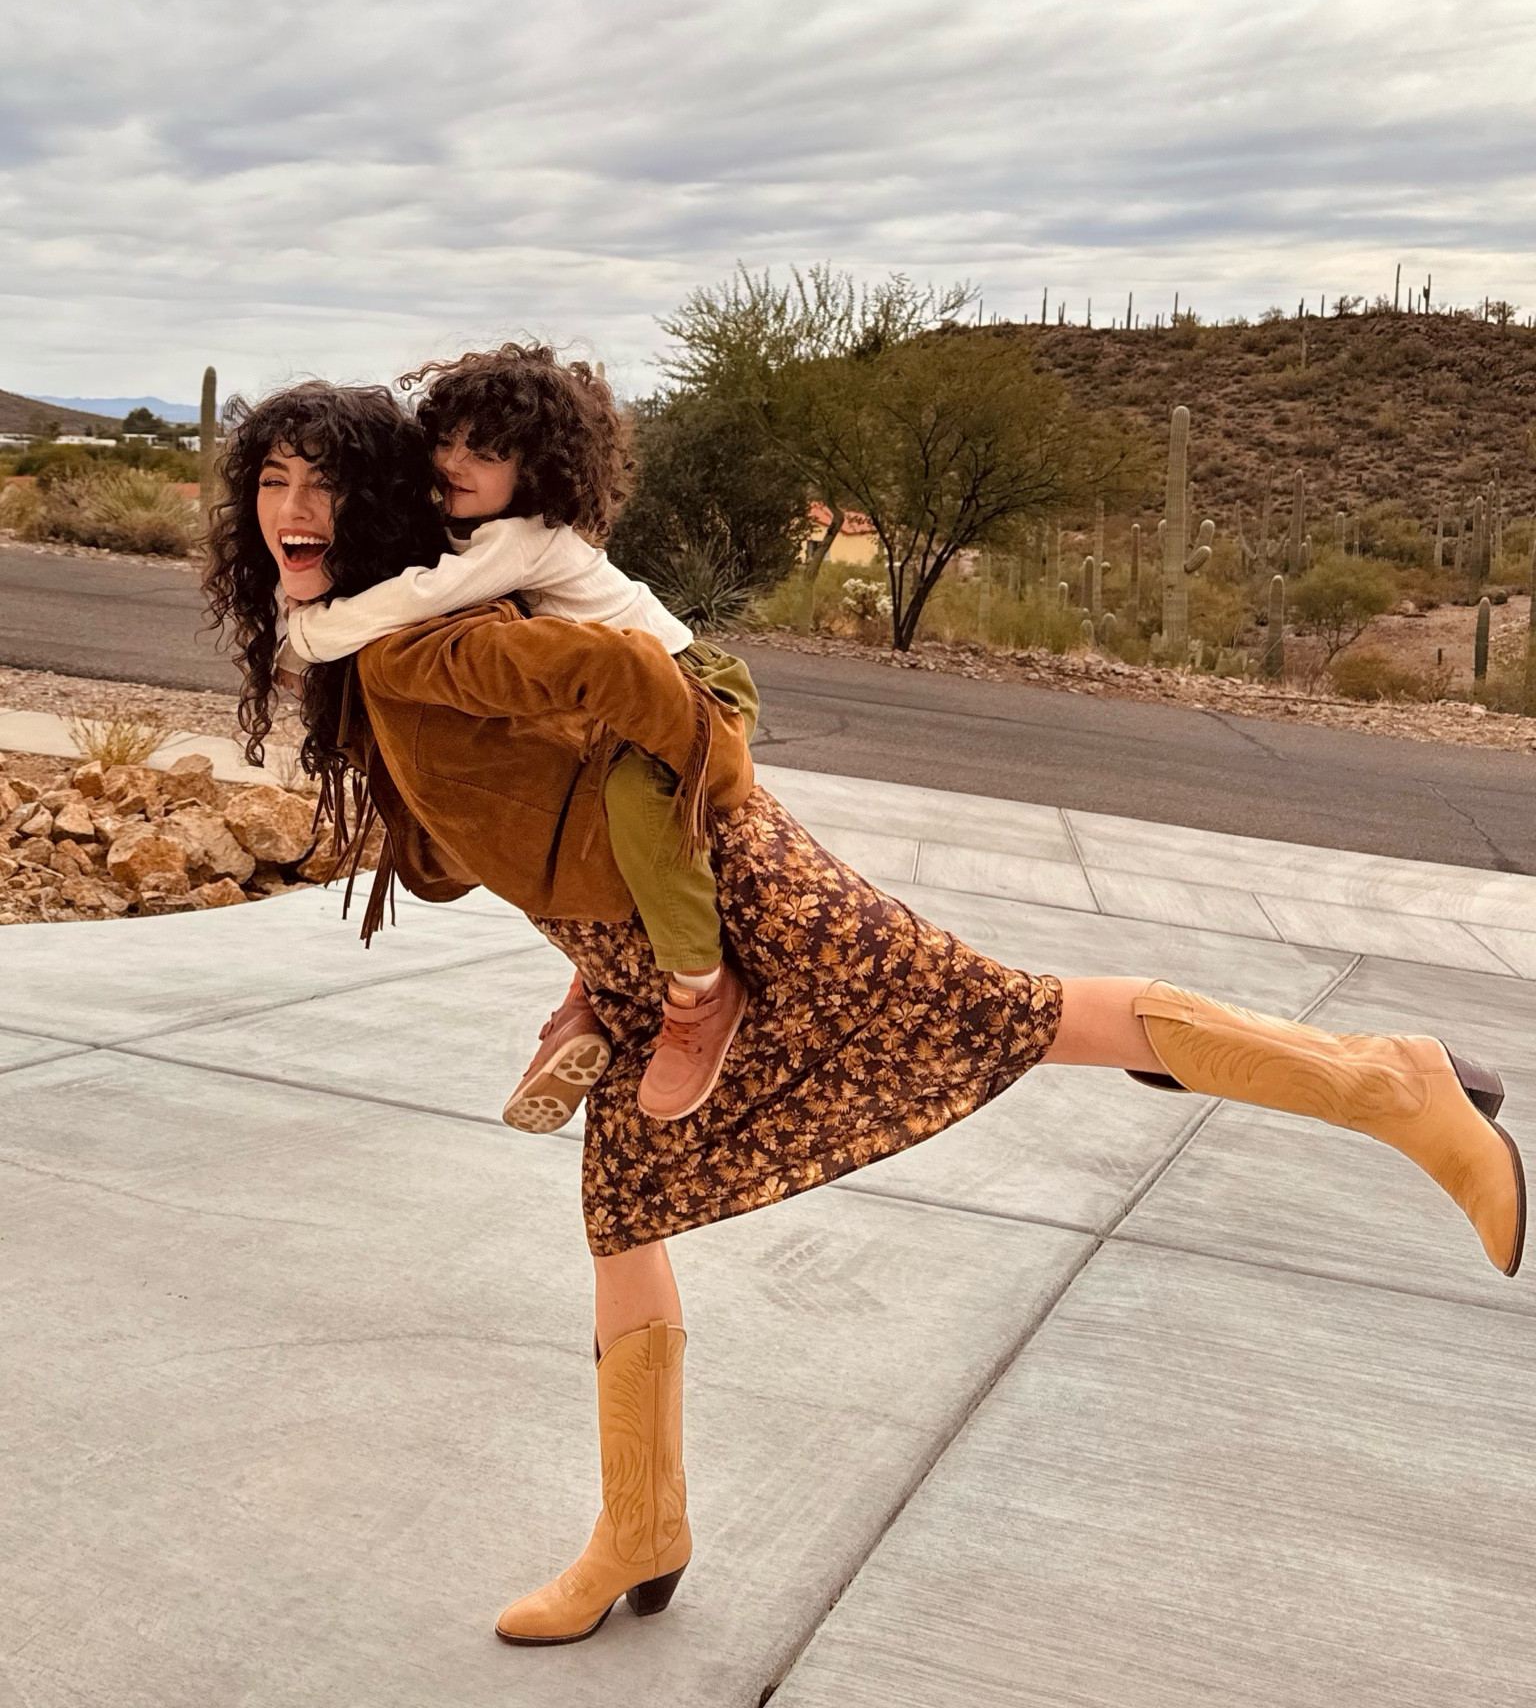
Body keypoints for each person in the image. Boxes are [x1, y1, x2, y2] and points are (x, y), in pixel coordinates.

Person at [205, 377, 1526, 1653]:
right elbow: (547, 808)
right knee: (626, 1206)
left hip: (752, 903)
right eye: (271, 480)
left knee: (1026, 1016)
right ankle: (640, 1530)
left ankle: (1385, 1083)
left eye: (321, 482)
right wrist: (590, 970)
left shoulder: (434, 636)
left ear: (377, 503)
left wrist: (705, 813)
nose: (290, 506)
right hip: (652, 950)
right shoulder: (383, 646)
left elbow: (647, 697)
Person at [280, 343, 757, 1128]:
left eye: (490, 451)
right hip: (611, 710)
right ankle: (596, 995)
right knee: (570, 831)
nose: (457, 462)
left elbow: (416, 598)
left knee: (640, 810)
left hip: (690, 688)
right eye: (446, 440)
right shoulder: (473, 530)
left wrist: (309, 631)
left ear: (538, 471)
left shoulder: (523, 537)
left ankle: (700, 992)